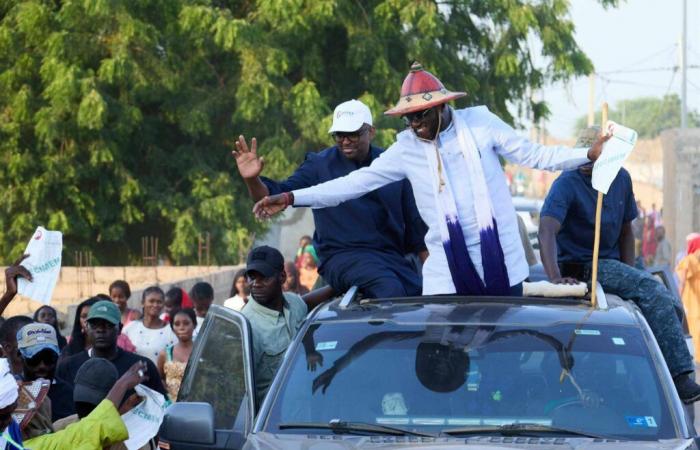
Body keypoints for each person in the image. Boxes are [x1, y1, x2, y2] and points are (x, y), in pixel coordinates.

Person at [253, 63, 607, 296]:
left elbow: (536, 155)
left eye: (420, 116)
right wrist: (290, 198)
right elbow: (351, 185)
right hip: (445, 269)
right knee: (439, 355)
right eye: (408, 118)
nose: (413, 125)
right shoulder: (407, 147)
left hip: (502, 260)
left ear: (441, 107)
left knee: (500, 354)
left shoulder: (480, 124)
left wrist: (585, 156)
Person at [537, 128, 700, 403]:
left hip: (614, 264)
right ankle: (681, 377)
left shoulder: (621, 178)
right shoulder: (566, 183)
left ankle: (654, 368)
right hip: (581, 265)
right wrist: (554, 276)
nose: (590, 165)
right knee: (654, 294)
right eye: (588, 159)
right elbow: (546, 230)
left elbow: (626, 232)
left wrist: (630, 276)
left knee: (669, 304)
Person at [235, 99, 429, 299]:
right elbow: (274, 196)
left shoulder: (393, 164)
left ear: (371, 132)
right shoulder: (319, 165)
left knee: (421, 294)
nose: (345, 141)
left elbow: (417, 231)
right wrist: (252, 179)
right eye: (339, 135)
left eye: (352, 134)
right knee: (390, 291)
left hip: (391, 259)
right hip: (342, 257)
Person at [55, 300, 166, 419]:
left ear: (120, 328)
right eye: (94, 324)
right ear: (86, 327)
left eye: (108, 325)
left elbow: (161, 409)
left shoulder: (141, 367)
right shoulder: (68, 366)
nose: (100, 330)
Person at [25, 360, 149, 449]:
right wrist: (122, 385)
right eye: (81, 402)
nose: (85, 410)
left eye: (91, 403)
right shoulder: (61, 428)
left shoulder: (135, 439)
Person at [241, 246, 310, 404]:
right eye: (252, 277)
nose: (256, 284)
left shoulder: (295, 303)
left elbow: (309, 302)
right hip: (272, 423)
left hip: (308, 411)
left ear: (282, 277)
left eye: (264, 277)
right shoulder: (246, 327)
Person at [15, 323, 59, 439]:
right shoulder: (10, 394)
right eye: (35, 359)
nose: (42, 366)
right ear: (20, 356)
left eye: (49, 358)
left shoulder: (68, 393)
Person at [123, 287, 176, 363]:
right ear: (142, 303)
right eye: (151, 301)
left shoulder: (170, 331)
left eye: (159, 302)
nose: (155, 305)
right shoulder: (130, 328)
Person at [157, 308, 196, 402]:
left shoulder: (202, 351)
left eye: (186, 323)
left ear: (194, 325)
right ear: (172, 328)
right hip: (173, 409)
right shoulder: (165, 354)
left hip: (198, 405)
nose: (181, 327)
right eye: (177, 324)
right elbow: (160, 379)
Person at [677, 236, 700, 361]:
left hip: (691, 301)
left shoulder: (688, 260)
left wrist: (677, 298)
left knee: (692, 329)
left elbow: (682, 282)